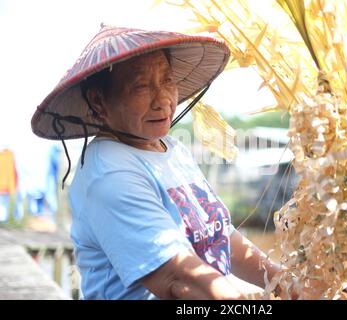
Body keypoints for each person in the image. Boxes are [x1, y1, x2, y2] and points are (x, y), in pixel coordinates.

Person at [31, 25, 284, 300]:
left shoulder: (172, 149)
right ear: (99, 101)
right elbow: (179, 278)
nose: (162, 100)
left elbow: (218, 235)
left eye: (167, 80)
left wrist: (282, 281)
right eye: (141, 86)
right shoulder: (110, 173)